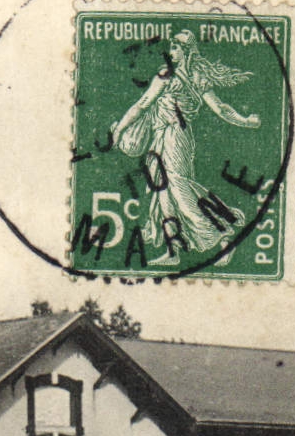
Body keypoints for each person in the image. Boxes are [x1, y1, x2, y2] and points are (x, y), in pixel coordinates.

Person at [108, 30, 262, 267]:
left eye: (176, 47)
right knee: (163, 194)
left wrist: (119, 130)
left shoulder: (170, 76)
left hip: (175, 137)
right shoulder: (185, 76)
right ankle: (173, 249)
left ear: (187, 50)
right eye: (172, 47)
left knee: (177, 187)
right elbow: (219, 108)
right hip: (163, 137)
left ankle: (221, 237)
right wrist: (245, 121)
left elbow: (143, 105)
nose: (171, 51)